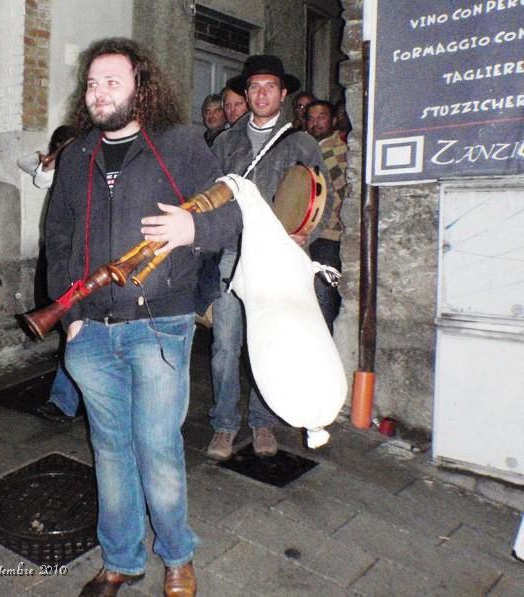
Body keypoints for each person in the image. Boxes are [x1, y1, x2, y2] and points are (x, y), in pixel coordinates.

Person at [45, 37, 240, 597]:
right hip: (91, 334)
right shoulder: (78, 155)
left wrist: (192, 230)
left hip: (159, 328)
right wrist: (70, 316)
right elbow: (56, 240)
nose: (100, 92)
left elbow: (232, 218)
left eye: (113, 80)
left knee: (156, 447)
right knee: (108, 451)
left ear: (140, 86)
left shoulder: (179, 145)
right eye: (92, 83)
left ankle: (177, 555)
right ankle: (122, 559)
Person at [207, 55, 334, 461]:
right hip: (231, 254)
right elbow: (210, 198)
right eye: (254, 87)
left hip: (278, 262)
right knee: (225, 345)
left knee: (271, 344)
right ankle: (224, 424)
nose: (261, 94)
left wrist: (305, 232)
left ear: (282, 94)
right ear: (246, 94)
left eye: (270, 87)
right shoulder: (225, 143)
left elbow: (322, 198)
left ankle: (263, 422)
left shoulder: (302, 143)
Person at [19, 126, 85, 424]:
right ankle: (65, 399)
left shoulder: (90, 164)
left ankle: (67, 399)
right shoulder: (61, 170)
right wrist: (59, 153)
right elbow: (37, 173)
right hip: (60, 257)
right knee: (72, 329)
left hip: (89, 258)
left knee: (81, 332)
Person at [305, 100, 348, 333]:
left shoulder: (343, 150)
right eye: (310, 118)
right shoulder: (302, 146)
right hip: (303, 236)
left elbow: (339, 188)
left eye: (321, 117)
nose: (315, 123)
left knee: (324, 302)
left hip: (329, 235)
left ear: (332, 120)